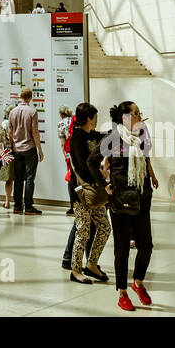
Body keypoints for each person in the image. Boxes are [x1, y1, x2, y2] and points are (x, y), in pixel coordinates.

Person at [95, 100, 158, 311]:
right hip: (120, 201)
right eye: (137, 113)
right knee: (122, 249)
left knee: (146, 246)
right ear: (126, 117)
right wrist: (105, 184)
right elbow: (91, 162)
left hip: (141, 198)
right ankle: (122, 293)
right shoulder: (112, 137)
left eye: (140, 113)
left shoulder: (141, 137)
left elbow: (147, 159)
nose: (140, 117)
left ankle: (138, 282)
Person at [63, 103, 110, 283]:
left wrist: (122, 129)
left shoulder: (91, 134)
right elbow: (82, 166)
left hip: (94, 190)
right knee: (83, 230)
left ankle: (92, 264)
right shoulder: (77, 137)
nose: (97, 120)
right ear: (89, 118)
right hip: (81, 191)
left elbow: (105, 136)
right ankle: (75, 270)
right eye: (95, 117)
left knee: (104, 227)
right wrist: (100, 177)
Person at [7, 88, 43, 215]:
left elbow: (10, 132)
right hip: (29, 148)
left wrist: (11, 147)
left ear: (20, 96)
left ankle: (17, 206)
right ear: (30, 97)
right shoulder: (32, 112)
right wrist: (40, 149)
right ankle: (28, 207)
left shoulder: (12, 112)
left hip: (16, 149)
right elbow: (35, 131)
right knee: (29, 178)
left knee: (17, 178)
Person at [57, 105, 76, 215]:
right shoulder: (75, 121)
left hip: (70, 154)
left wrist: (65, 155)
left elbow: (63, 143)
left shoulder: (61, 123)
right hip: (79, 152)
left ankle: (72, 205)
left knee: (71, 179)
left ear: (61, 114)